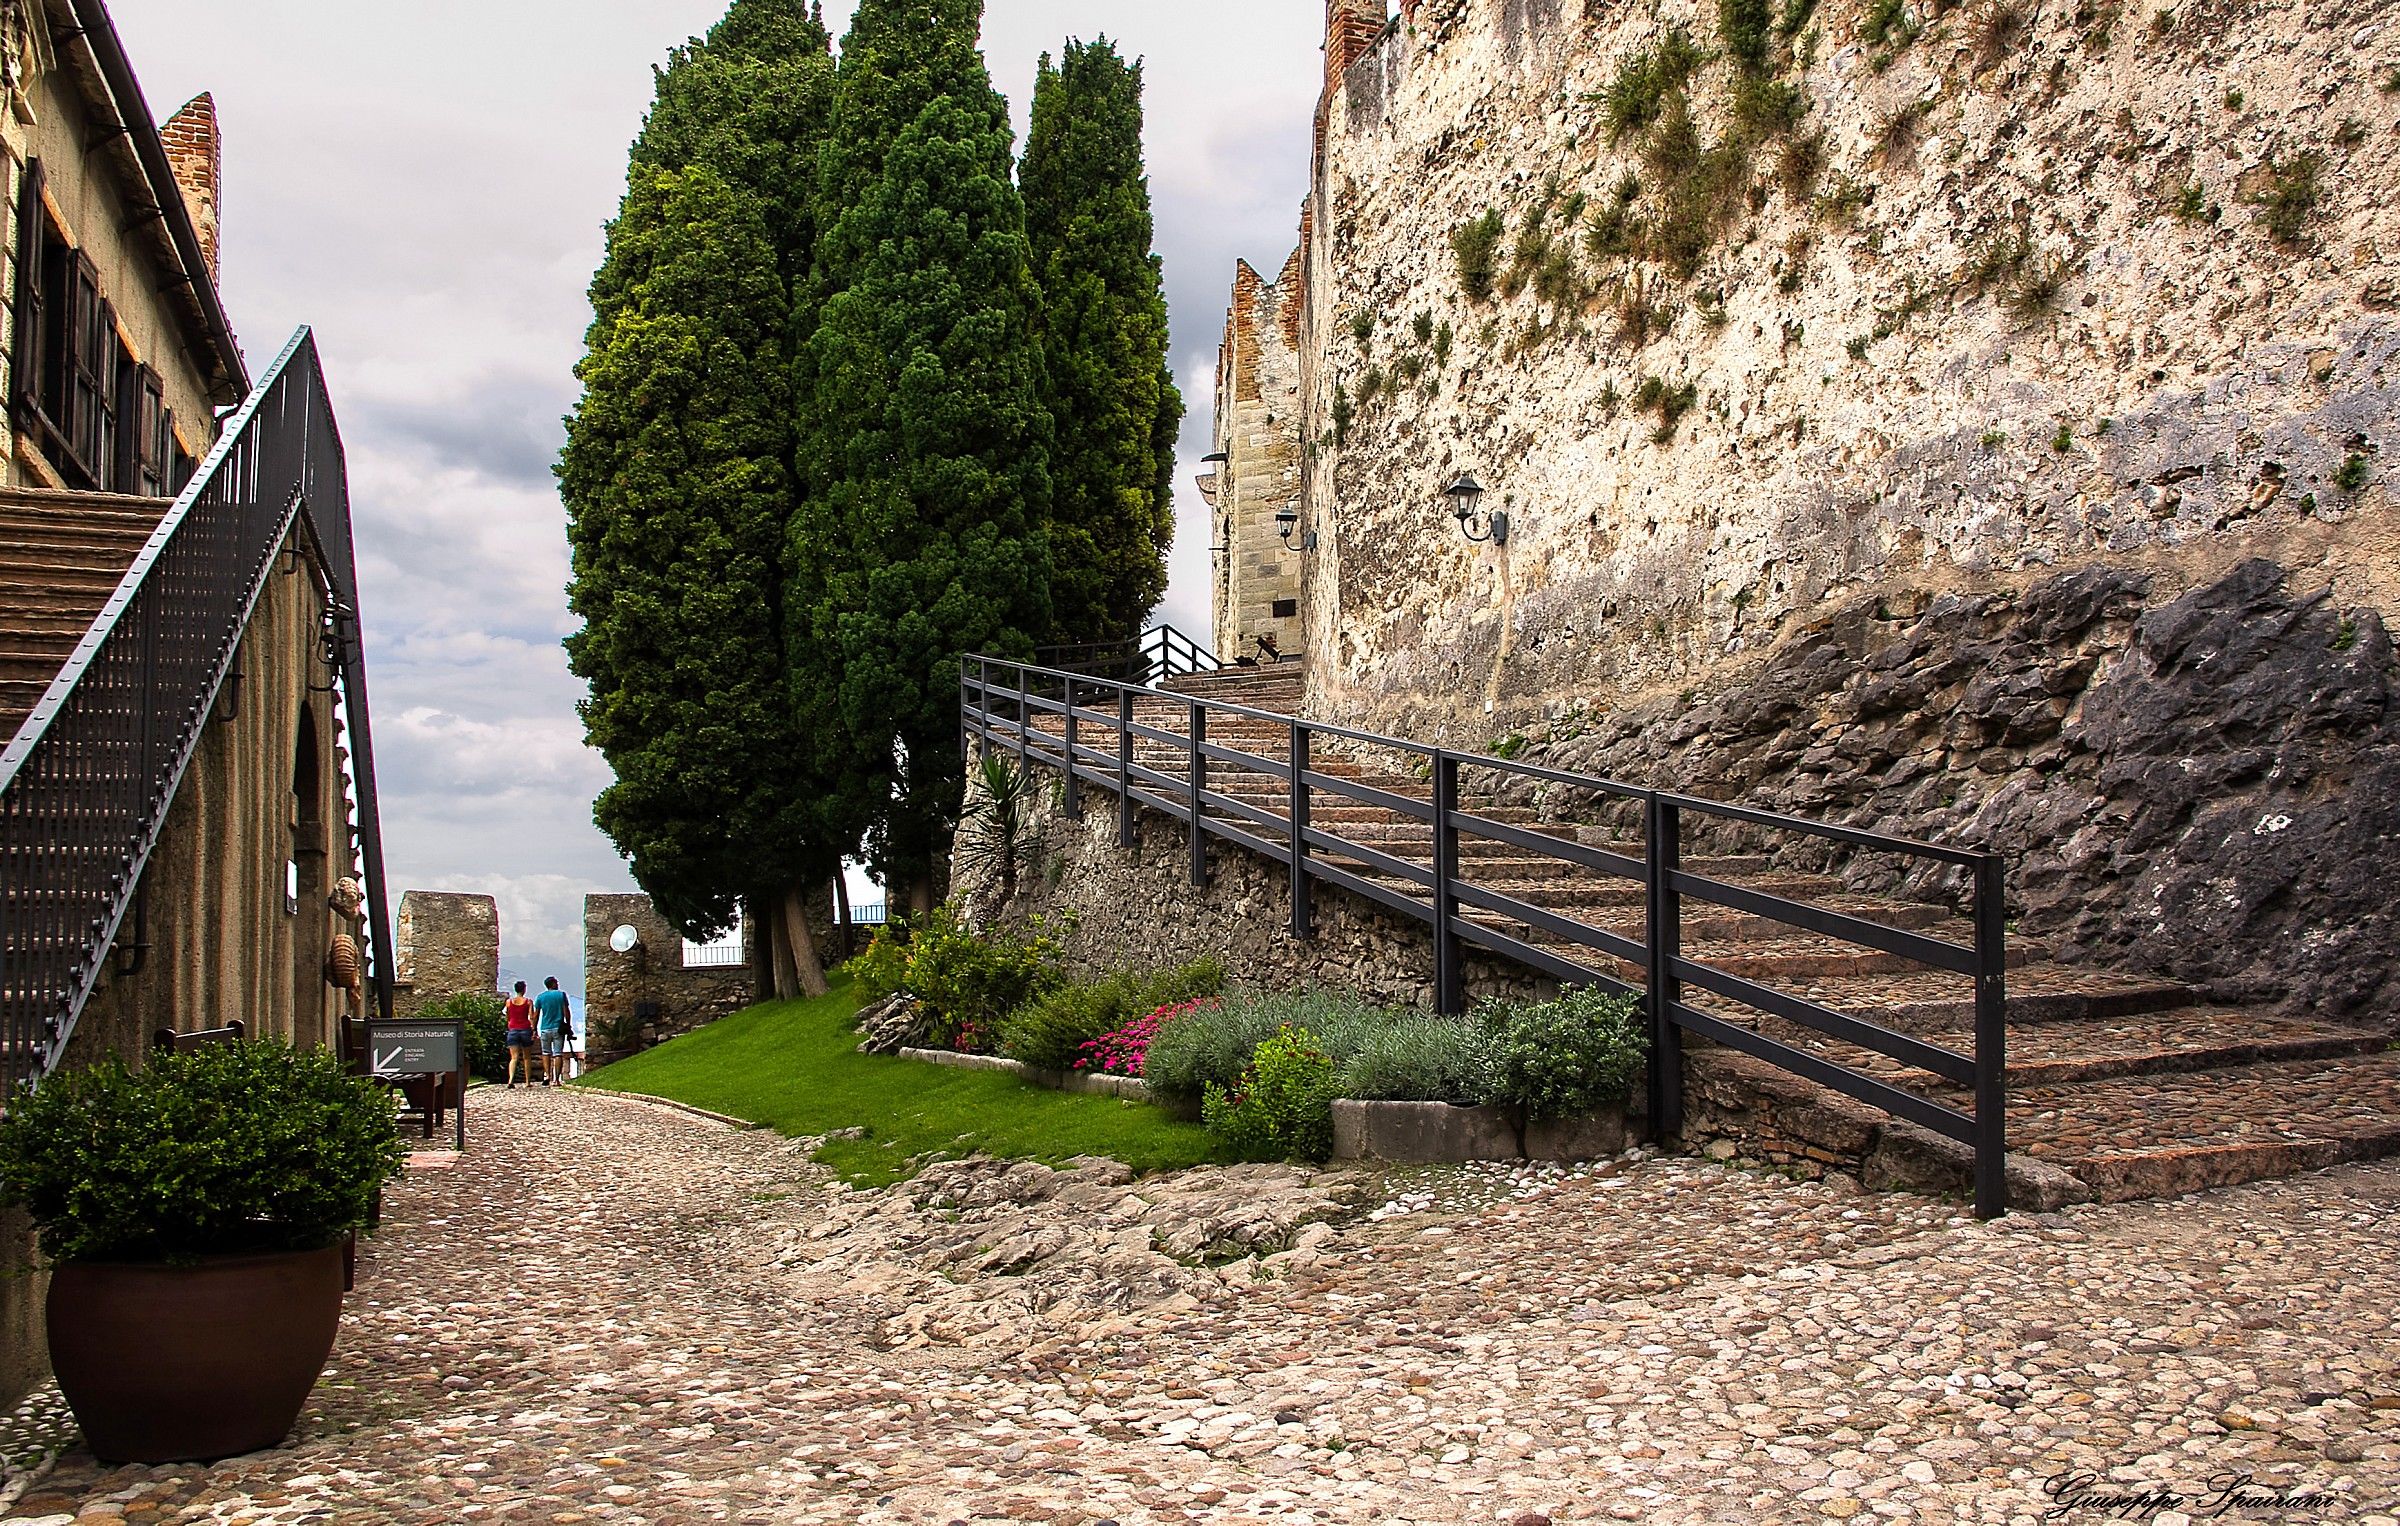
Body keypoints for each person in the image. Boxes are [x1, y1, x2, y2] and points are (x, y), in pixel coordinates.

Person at [533, 977, 574, 1086]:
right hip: (558, 1028)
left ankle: (547, 1075)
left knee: (546, 1053)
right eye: (556, 982)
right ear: (553, 984)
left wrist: (534, 1029)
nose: (558, 983)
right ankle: (556, 1079)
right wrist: (568, 1025)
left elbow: (536, 1015)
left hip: (545, 1028)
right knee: (558, 1053)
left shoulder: (540, 997)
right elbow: (566, 1011)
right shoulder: (561, 995)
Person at [502, 981, 537, 1086]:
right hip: (525, 1029)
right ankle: (527, 1082)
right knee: (527, 1057)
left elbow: (507, 1016)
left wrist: (510, 1023)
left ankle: (511, 1079)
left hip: (513, 1029)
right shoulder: (528, 1002)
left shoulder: (509, 1002)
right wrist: (534, 1029)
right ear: (524, 989)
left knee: (513, 1057)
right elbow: (531, 1017)